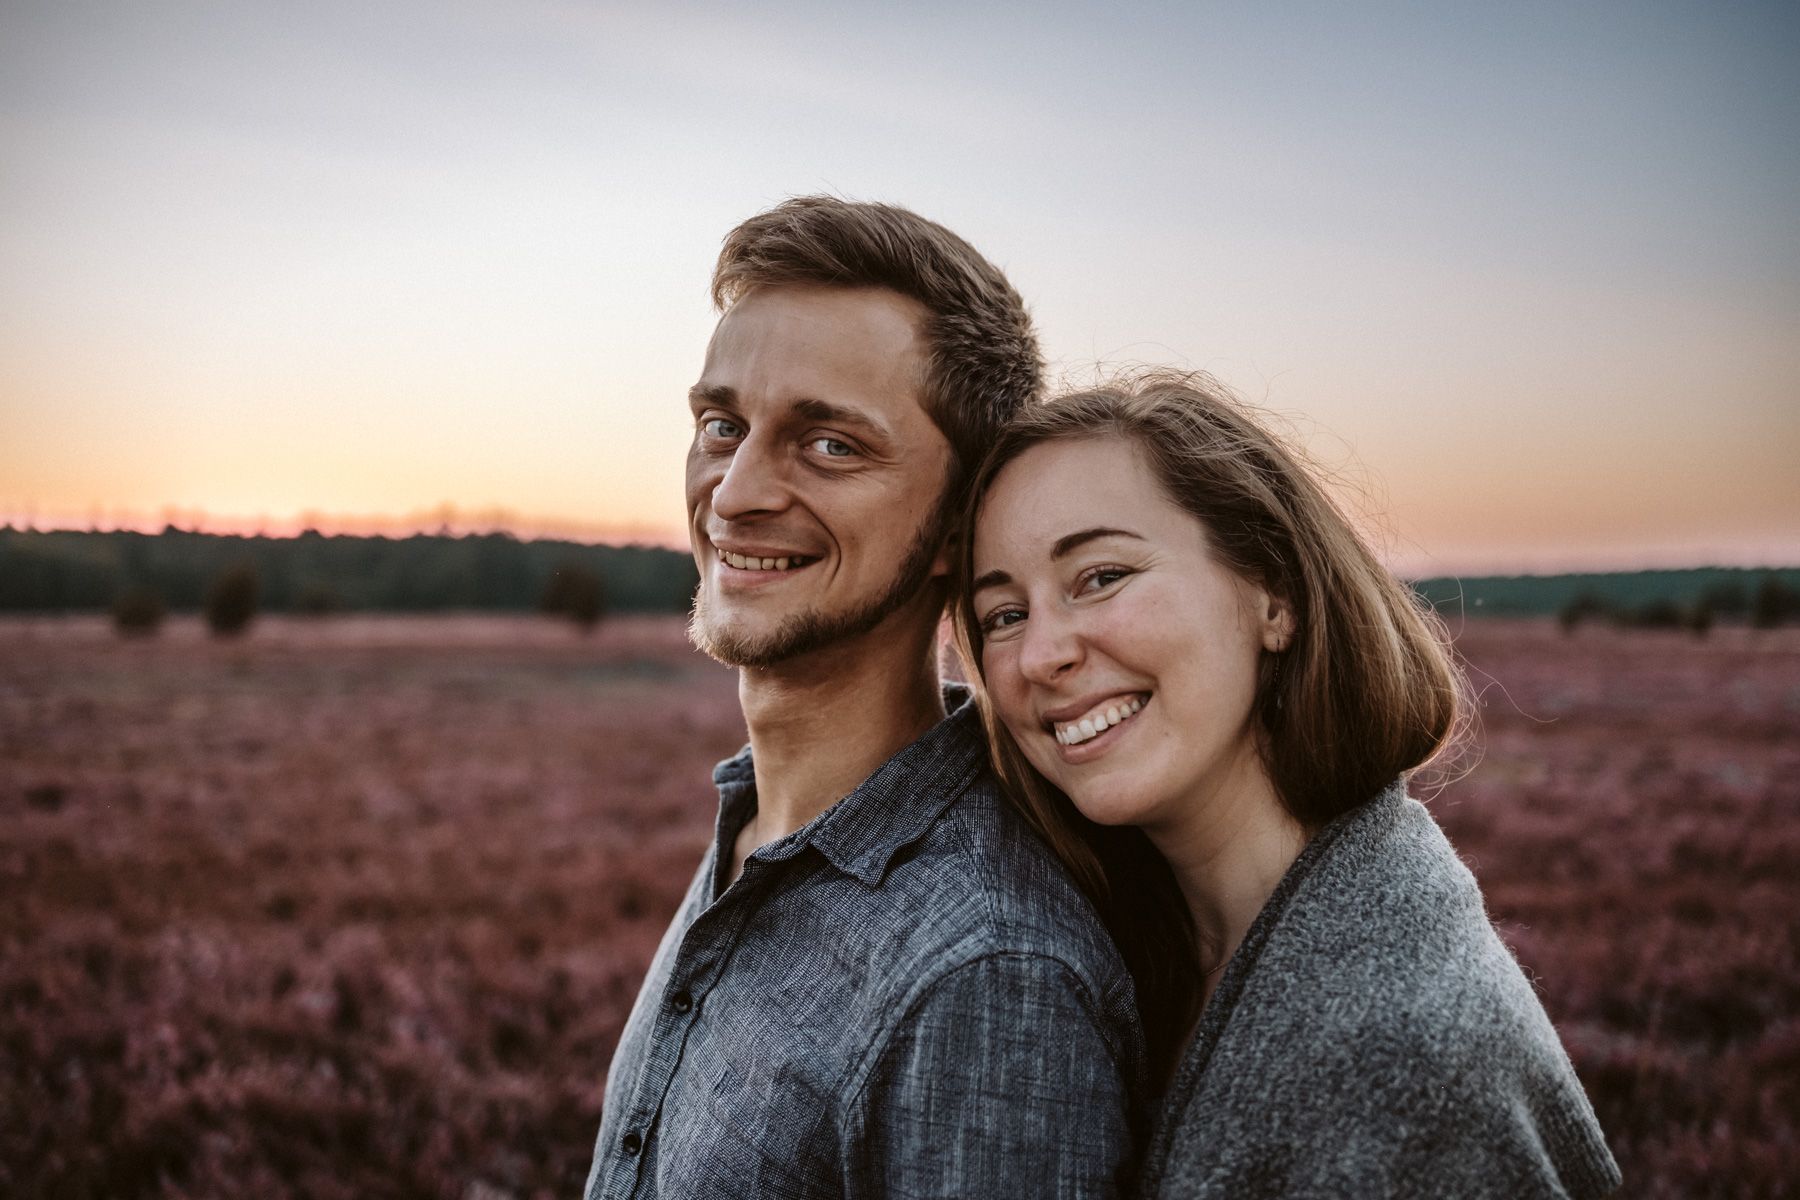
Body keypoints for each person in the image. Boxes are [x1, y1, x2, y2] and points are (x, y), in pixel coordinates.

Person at [583, 198, 1145, 1200]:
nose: (734, 493)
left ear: (957, 528)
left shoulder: (986, 979)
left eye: (830, 444)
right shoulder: (759, 824)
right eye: (721, 426)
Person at [956, 371, 1623, 1199]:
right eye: (1004, 615)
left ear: (1275, 595)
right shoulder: (1126, 948)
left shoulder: (1400, 1073)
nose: (1040, 655)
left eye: (1101, 576)